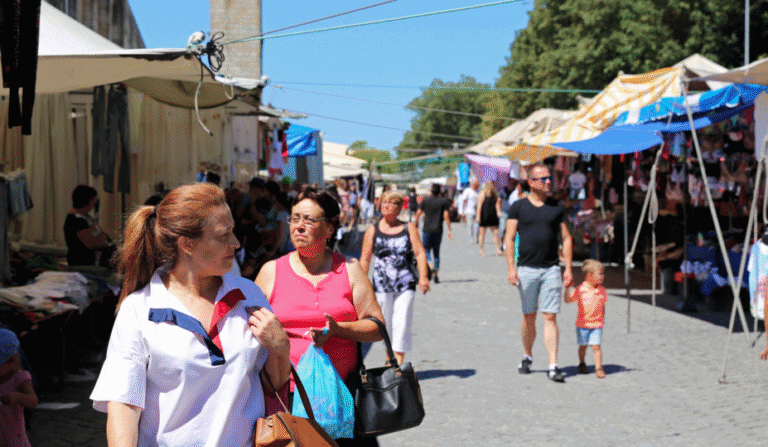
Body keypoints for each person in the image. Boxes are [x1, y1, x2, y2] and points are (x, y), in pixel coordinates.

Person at [90, 183, 291, 447]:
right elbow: (124, 407)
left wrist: (281, 348)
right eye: (224, 235)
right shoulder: (140, 309)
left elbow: (273, 384)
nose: (236, 242)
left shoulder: (249, 294)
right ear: (187, 244)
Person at [255, 186, 384, 446]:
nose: (299, 226)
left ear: (329, 229)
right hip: (286, 398)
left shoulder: (349, 269)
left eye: (309, 220)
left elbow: (377, 327)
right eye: (294, 218)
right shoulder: (271, 271)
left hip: (343, 398)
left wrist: (339, 330)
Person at [505, 162, 573, 383]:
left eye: (549, 178)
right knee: (529, 316)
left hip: (551, 268)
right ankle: (527, 355)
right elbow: (509, 238)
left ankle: (553, 365)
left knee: (550, 316)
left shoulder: (557, 207)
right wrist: (511, 268)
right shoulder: (518, 207)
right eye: (543, 179)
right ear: (531, 182)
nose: (548, 182)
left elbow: (566, 238)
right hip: (526, 269)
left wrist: (569, 269)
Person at [360, 190, 430, 365]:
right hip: (381, 286)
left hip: (405, 283)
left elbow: (420, 253)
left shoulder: (408, 227)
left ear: (399, 208)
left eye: (391, 203)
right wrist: (361, 284)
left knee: (402, 322)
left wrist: (423, 277)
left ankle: (396, 361)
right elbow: (365, 258)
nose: (386, 205)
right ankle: (389, 357)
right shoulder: (372, 230)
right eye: (384, 202)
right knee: (385, 325)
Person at [565, 260, 607, 378]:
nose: (602, 276)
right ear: (589, 275)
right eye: (600, 274)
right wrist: (567, 289)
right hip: (582, 325)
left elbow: (603, 307)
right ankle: (582, 363)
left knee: (596, 347)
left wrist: (602, 320)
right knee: (583, 346)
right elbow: (568, 300)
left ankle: (598, 368)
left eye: (603, 274)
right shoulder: (581, 289)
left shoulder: (602, 290)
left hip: (597, 325)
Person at [0, 328, 38, 447]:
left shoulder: (20, 378)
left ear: (11, 360)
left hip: (15, 439)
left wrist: (17, 398)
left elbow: (33, 401)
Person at [64, 185, 115, 267]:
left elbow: (103, 235)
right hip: (84, 264)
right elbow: (92, 244)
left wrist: (103, 238)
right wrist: (102, 239)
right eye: (93, 199)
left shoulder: (87, 217)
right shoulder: (76, 220)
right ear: (86, 200)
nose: (95, 202)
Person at [415, 183, 453, 284]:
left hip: (427, 229)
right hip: (438, 230)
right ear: (439, 192)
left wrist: (415, 225)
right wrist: (449, 230)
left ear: (431, 191)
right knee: (436, 252)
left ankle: (430, 265)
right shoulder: (444, 201)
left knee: (426, 249)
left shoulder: (425, 200)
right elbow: (446, 216)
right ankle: (436, 274)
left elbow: (418, 213)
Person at [476, 180, 502, 257]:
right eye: (493, 185)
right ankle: (481, 250)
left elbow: (497, 205)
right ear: (489, 185)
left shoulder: (495, 195)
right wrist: (478, 216)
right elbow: (479, 206)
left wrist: (498, 212)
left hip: (493, 215)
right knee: (482, 234)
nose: (494, 187)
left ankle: (497, 249)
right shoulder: (482, 194)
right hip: (484, 215)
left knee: (496, 233)